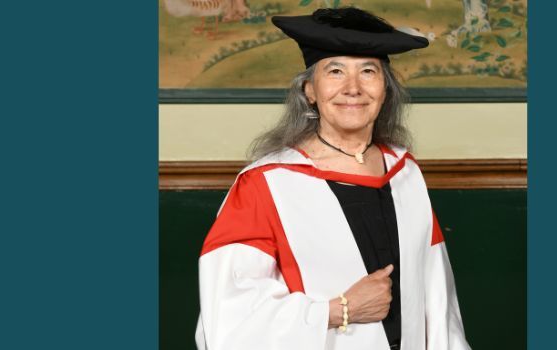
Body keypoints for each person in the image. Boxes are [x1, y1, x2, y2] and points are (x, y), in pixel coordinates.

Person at [195, 7, 471, 350]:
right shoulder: (266, 184)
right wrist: (339, 310)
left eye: (368, 71)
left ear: (385, 89)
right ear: (310, 89)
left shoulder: (405, 173)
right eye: (335, 71)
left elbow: (439, 302)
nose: (352, 88)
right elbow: (227, 318)